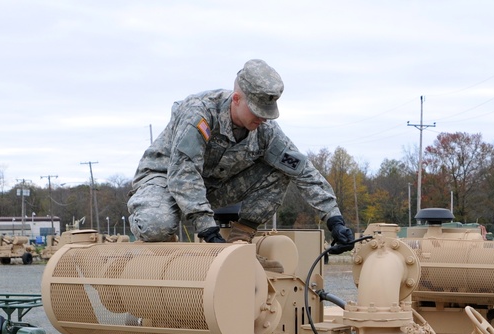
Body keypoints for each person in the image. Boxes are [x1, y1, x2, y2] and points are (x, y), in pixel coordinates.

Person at [127, 59, 355, 263]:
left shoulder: (265, 130)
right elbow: (183, 174)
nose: (263, 118)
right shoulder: (200, 114)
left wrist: (334, 220)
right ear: (236, 99)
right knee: (156, 224)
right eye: (257, 111)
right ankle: (163, 248)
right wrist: (208, 231)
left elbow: (303, 170)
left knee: (282, 168)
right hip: (164, 180)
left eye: (267, 112)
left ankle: (241, 239)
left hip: (210, 188)